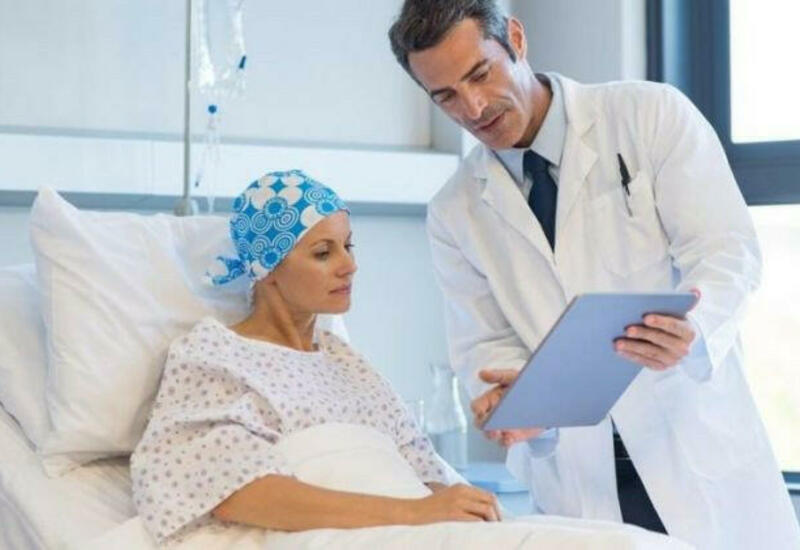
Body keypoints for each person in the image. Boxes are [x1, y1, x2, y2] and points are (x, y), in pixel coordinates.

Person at [388, 2, 800, 549]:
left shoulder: (648, 115)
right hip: (578, 482)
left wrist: (695, 329)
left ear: (515, 38)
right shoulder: (454, 210)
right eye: (446, 97)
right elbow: (485, 346)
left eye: (481, 73)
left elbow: (726, 250)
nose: (474, 107)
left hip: (695, 454)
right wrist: (520, 402)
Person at [130, 171, 502, 545]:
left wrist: (455, 511)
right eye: (323, 253)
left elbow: (421, 469)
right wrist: (414, 514)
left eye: (348, 246)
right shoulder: (214, 356)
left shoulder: (347, 362)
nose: (349, 265)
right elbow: (235, 492)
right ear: (268, 267)